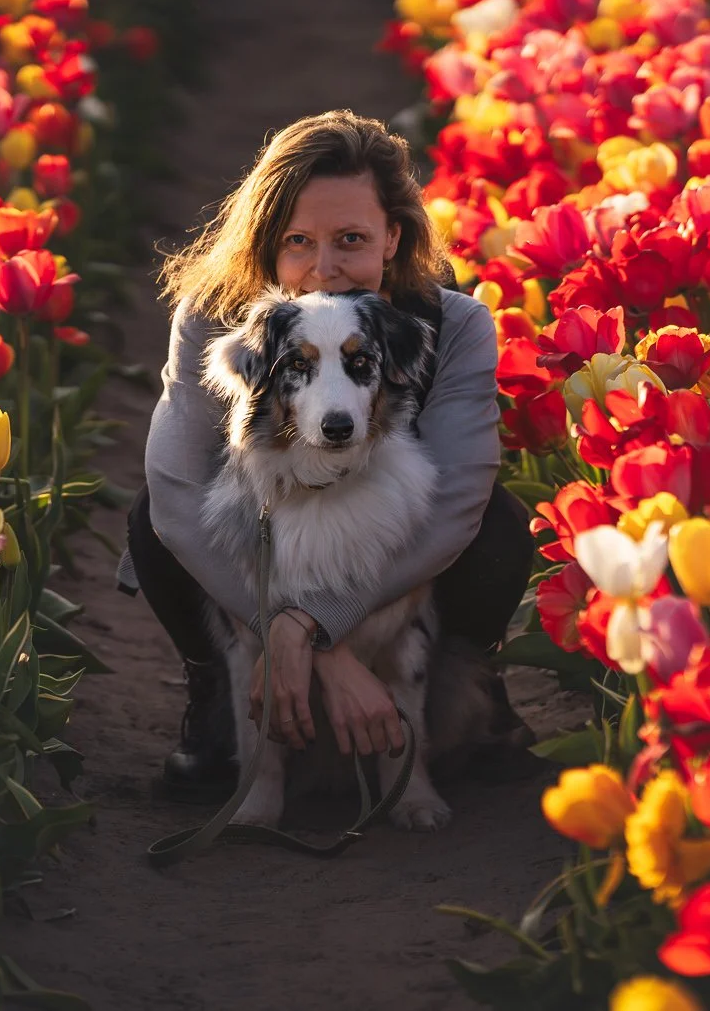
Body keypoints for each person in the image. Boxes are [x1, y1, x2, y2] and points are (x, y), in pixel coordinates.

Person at [116, 109, 536, 800]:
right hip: (264, 547)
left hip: (395, 570)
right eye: (298, 242)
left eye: (351, 240)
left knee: (494, 525)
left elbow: (457, 502)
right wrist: (297, 635)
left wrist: (313, 627)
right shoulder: (214, 318)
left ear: (393, 237)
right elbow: (177, 492)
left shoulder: (450, 322)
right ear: (263, 243)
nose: (324, 271)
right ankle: (215, 693)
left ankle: (467, 686)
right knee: (152, 523)